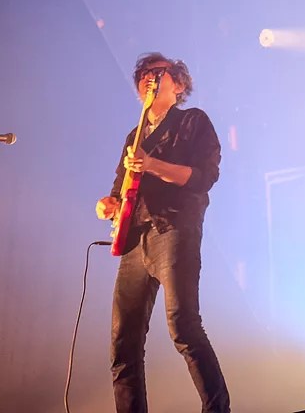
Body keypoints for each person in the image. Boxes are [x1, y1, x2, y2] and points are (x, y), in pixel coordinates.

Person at [95, 53, 230, 413]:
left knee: (183, 326)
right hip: (134, 240)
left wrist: (152, 164)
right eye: (143, 74)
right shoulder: (133, 136)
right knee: (122, 343)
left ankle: (217, 409)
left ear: (179, 84)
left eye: (158, 72)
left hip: (173, 229)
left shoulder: (192, 121)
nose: (148, 78)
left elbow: (203, 177)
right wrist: (108, 204)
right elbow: (119, 190)